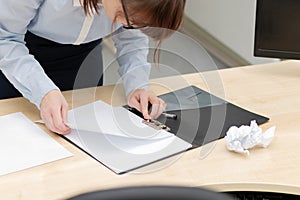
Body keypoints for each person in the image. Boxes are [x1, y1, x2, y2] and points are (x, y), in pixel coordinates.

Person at [0, 0, 186, 134]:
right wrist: (43, 91)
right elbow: (5, 38)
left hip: (83, 62)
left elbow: (131, 40)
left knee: (84, 144)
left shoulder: (129, 13)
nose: (127, 25)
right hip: (18, 61)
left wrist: (137, 86)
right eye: (126, 17)